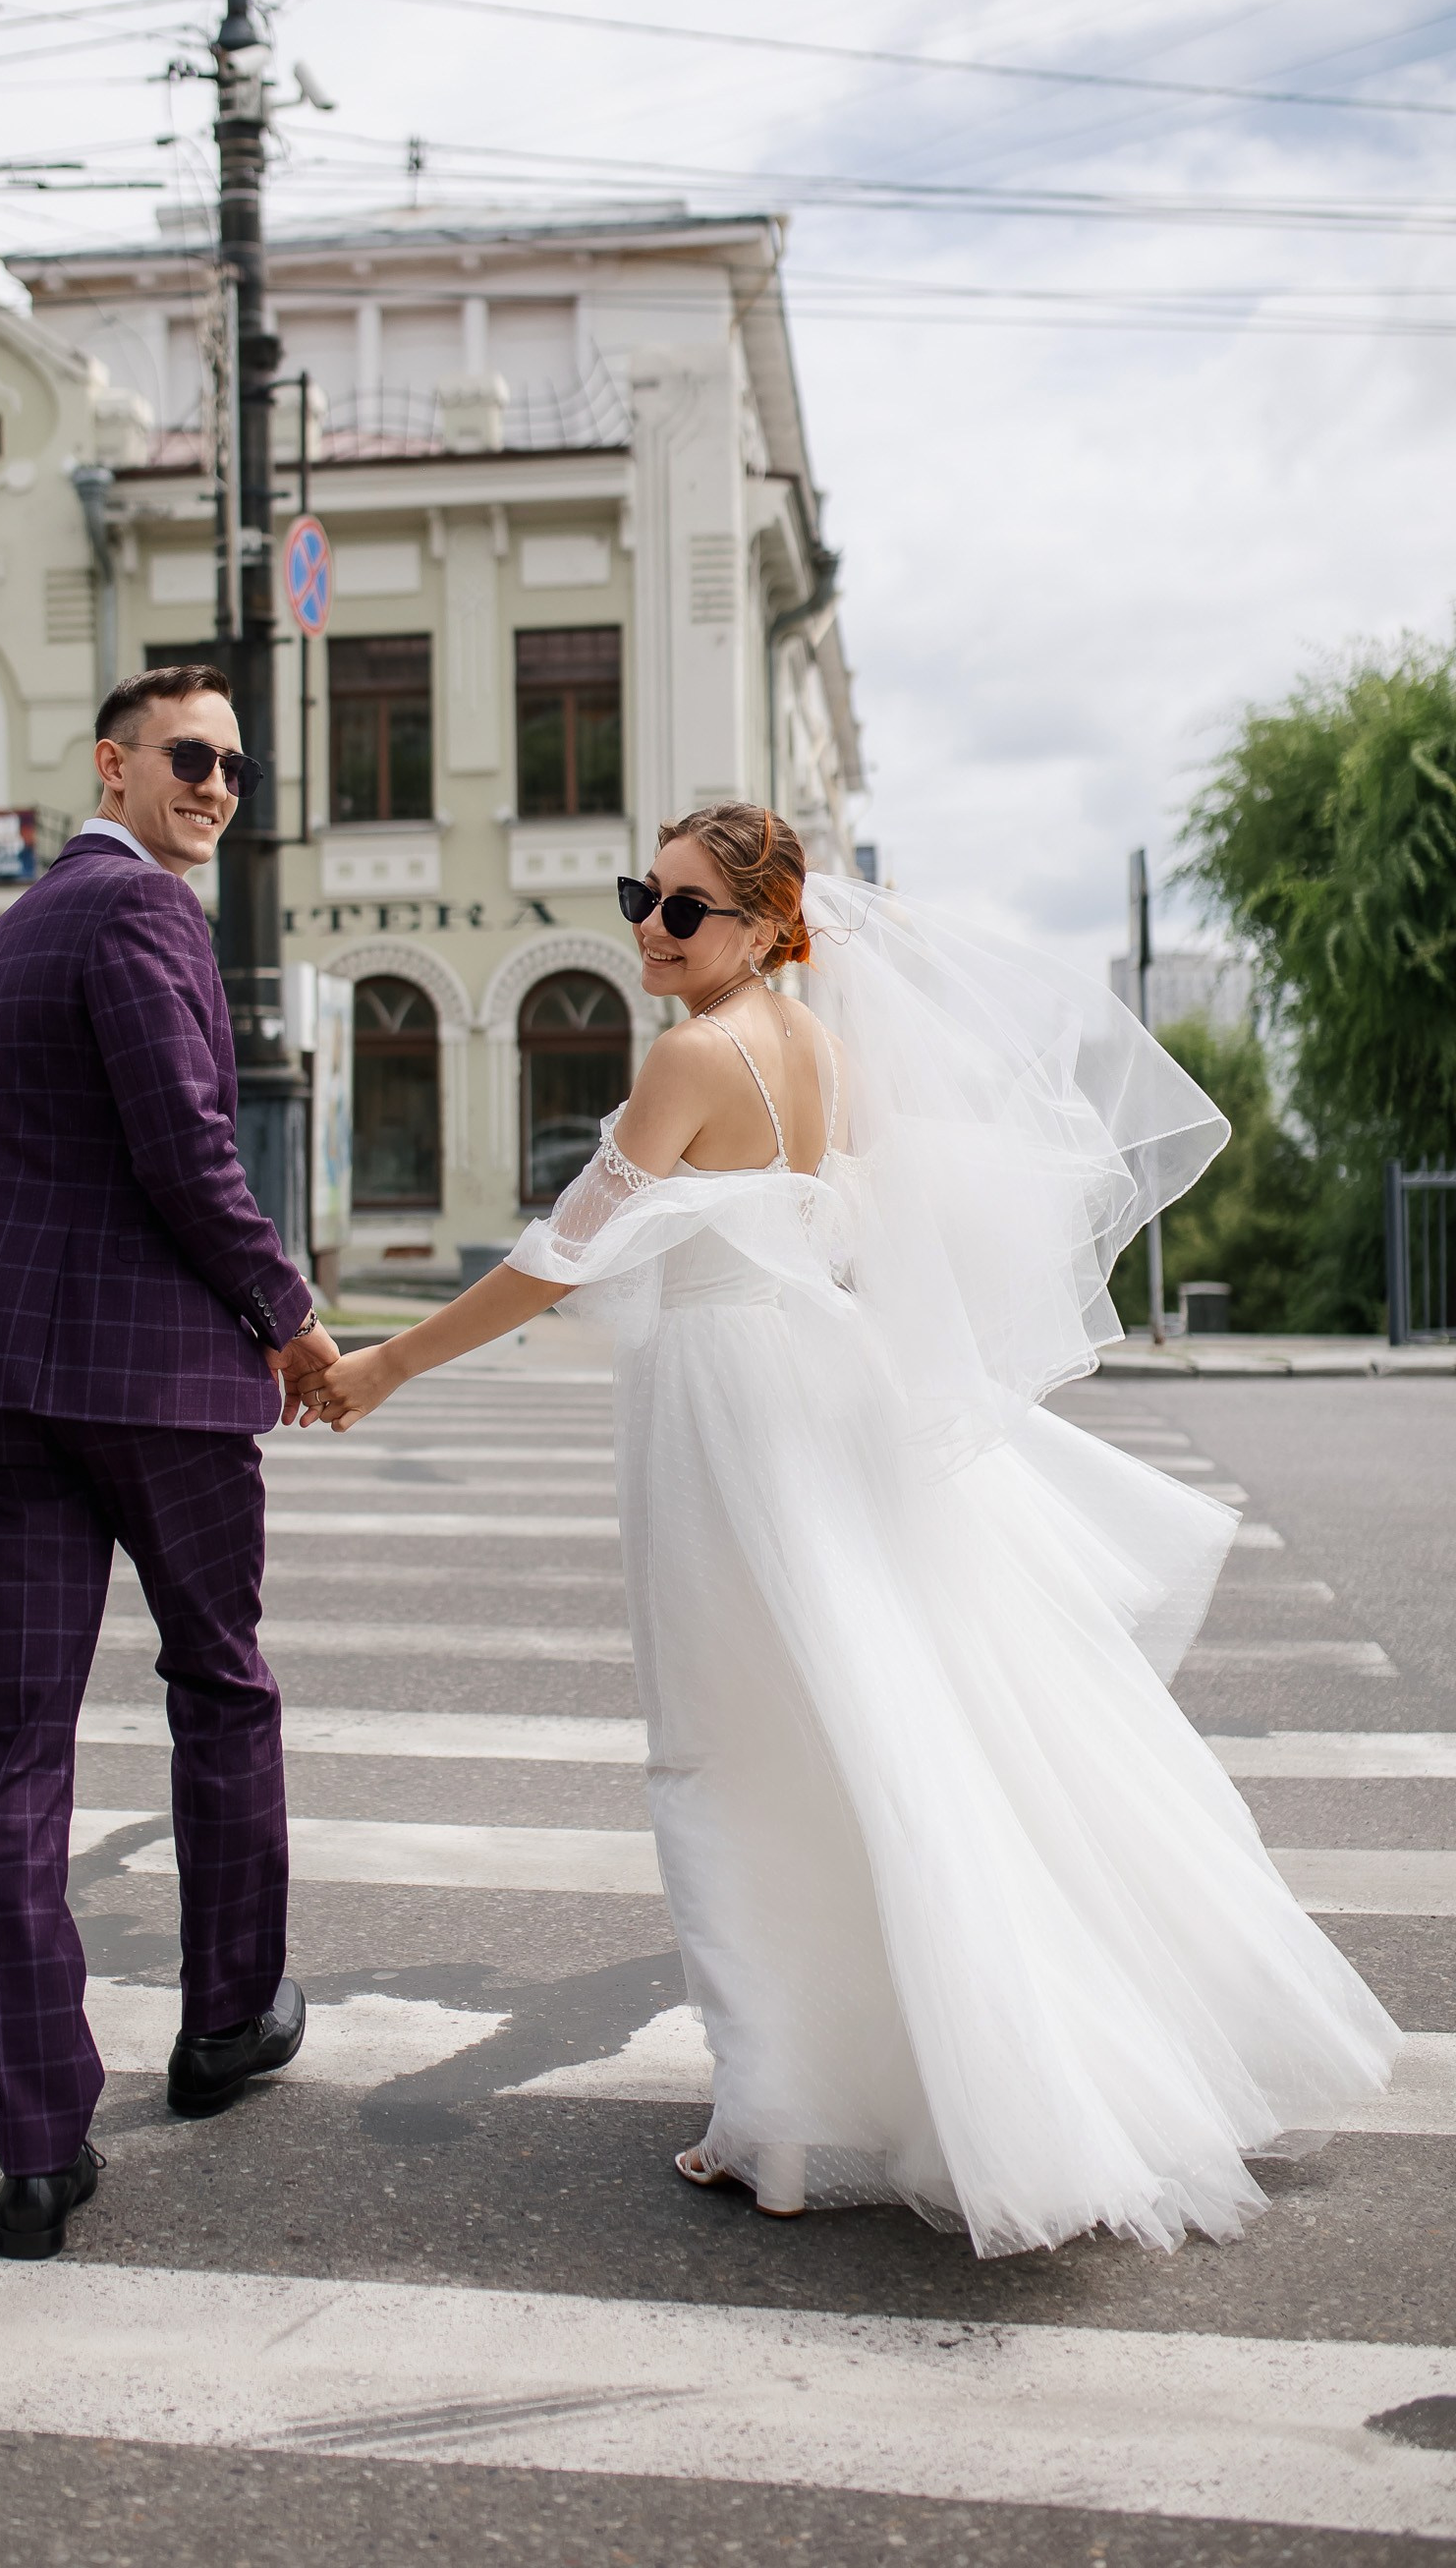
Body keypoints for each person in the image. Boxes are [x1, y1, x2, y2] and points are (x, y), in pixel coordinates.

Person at [308, 803, 1399, 2257]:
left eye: (684, 908)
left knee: (724, 1742)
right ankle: (896, 2074)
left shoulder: (694, 1055)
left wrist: (383, 1364)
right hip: (812, 1380)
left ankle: (780, 2119)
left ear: (764, 926)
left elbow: (560, 1254)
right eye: (644, 894)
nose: (649, 923)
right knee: (856, 1715)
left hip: (724, 1399)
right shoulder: (817, 1048)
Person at [0, 662, 339, 2260]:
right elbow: (188, 1151)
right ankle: (227, 2022)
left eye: (235, 765)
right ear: (114, 766)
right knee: (222, 1684)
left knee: (16, 1756)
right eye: (189, 757)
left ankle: (41, 2145)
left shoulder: (19, 926)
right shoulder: (150, 915)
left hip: (4, 1391)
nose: (218, 786)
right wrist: (290, 1321)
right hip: (158, 1392)